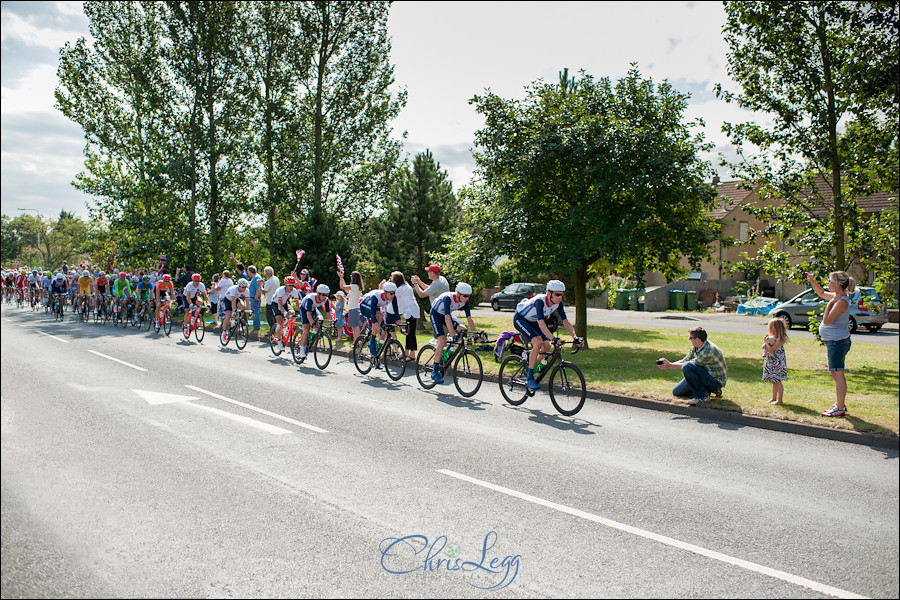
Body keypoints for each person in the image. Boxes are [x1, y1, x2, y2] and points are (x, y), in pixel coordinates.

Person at [512, 280, 584, 390]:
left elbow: (565, 321)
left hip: (533, 320)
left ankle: (531, 365)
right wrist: (553, 338)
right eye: (557, 294)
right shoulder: (540, 301)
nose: (560, 297)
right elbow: (541, 323)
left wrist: (575, 337)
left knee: (546, 347)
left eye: (562, 294)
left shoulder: (558, 303)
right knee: (538, 342)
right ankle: (529, 378)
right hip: (521, 319)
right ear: (549, 293)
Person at [806, 271, 855, 417]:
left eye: (830, 281)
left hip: (837, 342)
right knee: (836, 373)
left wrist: (830, 304)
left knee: (838, 375)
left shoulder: (840, 301)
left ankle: (840, 408)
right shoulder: (837, 297)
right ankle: (839, 405)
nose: (828, 283)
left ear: (838, 283)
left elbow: (827, 320)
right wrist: (812, 281)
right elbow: (821, 293)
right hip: (834, 342)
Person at [657, 326, 727, 405]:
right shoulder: (696, 347)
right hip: (704, 376)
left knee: (687, 366)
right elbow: (685, 360)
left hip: (715, 381)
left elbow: (688, 365)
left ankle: (702, 396)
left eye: (690, 338)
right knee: (677, 392)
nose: (689, 339)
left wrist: (669, 366)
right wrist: (669, 363)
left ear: (697, 339)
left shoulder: (708, 350)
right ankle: (707, 390)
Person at [429, 283, 480, 384]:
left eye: (468, 296)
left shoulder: (466, 301)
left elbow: (469, 319)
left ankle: (448, 350)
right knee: (442, 340)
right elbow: (447, 319)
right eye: (464, 296)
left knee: (463, 329)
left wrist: (475, 335)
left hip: (446, 315)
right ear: (458, 294)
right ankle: (435, 372)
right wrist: (453, 336)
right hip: (436, 314)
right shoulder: (448, 298)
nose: (466, 298)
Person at [360, 282, 400, 357]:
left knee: (383, 331)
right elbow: (373, 316)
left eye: (394, 293)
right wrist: (379, 329)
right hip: (365, 306)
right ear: (385, 292)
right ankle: (372, 340)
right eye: (391, 293)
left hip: (376, 307)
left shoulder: (393, 297)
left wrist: (401, 327)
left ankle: (377, 354)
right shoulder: (376, 297)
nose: (393, 295)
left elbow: (397, 313)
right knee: (379, 317)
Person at [296, 284, 333, 359]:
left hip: (314, 309)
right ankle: (302, 350)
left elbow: (328, 313)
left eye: (327, 295)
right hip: (304, 309)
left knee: (320, 319)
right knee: (306, 329)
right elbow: (308, 314)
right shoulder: (310, 299)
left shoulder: (326, 300)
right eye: (323, 295)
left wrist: (332, 324)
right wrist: (312, 323)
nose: (325, 297)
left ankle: (312, 335)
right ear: (318, 294)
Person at [392, 271, 420, 361]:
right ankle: (406, 352)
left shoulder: (401, 289)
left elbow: (392, 297)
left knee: (411, 333)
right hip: (410, 311)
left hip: (411, 311)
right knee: (408, 332)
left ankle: (412, 354)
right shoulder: (405, 286)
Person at [270, 275, 301, 352]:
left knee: (292, 313)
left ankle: (286, 330)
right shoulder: (280, 290)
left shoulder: (294, 291)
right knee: (280, 321)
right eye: (290, 285)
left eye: (293, 285)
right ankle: (279, 341)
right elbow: (279, 305)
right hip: (276, 303)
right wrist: (284, 312)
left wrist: (302, 312)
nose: (291, 287)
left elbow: (297, 304)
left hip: (285, 303)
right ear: (285, 285)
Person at [762, 318, 789, 405]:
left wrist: (766, 343)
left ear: (774, 328)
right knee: (774, 380)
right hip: (772, 362)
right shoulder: (774, 338)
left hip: (777, 363)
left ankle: (779, 400)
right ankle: (773, 397)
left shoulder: (779, 339)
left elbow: (771, 349)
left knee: (778, 380)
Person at [339, 270, 364, 341]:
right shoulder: (356, 287)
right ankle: (357, 341)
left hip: (353, 309)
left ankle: (356, 342)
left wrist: (341, 278)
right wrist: (342, 279)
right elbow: (346, 290)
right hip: (354, 308)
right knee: (355, 327)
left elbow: (342, 286)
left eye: (351, 276)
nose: (350, 277)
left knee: (354, 327)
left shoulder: (354, 286)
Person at [262, 266, 280, 338]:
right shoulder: (276, 279)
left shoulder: (269, 281)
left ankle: (272, 330)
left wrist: (260, 286)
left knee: (269, 316)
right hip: (276, 299)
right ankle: (275, 329)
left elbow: (264, 291)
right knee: (275, 316)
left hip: (270, 301)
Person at [247, 265, 263, 331]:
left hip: (254, 297)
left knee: (256, 311)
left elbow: (258, 288)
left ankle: (256, 326)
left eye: (248, 271)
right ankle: (255, 325)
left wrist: (256, 297)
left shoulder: (256, 277)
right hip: (252, 297)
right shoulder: (255, 277)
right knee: (255, 311)